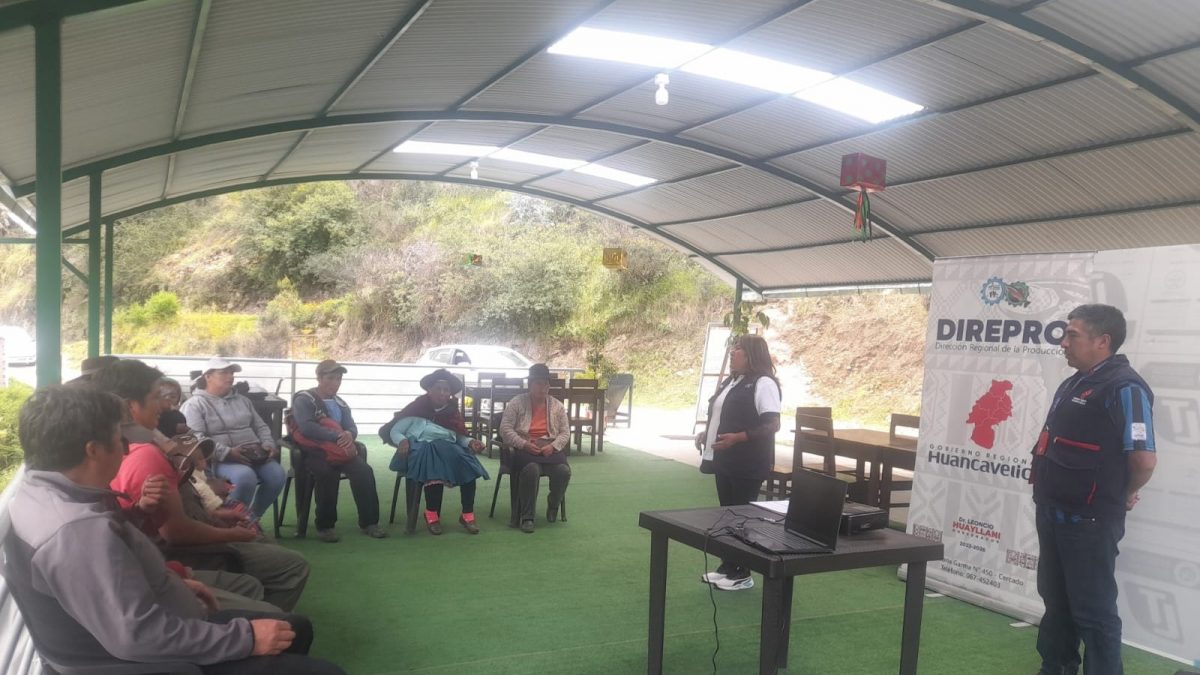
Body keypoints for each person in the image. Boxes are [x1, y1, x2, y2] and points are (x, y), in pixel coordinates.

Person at [5, 385, 345, 674]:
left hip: (163, 619)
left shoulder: (38, 493)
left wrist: (173, 581)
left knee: (297, 627)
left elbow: (109, 581)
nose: (126, 449)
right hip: (162, 658)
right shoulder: (77, 531)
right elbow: (138, 636)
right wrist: (247, 638)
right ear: (92, 450)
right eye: (120, 439)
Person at [96, 359, 310, 614]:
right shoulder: (146, 453)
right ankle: (267, 621)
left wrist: (213, 514)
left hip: (160, 549)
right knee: (287, 564)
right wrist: (231, 534)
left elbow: (139, 518)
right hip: (177, 554)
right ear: (130, 406)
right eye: (156, 397)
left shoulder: (131, 449)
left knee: (275, 476)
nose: (164, 406)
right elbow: (175, 533)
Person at [1031, 304, 1156, 675]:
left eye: (1072, 335)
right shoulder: (1074, 382)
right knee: (1056, 602)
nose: (1063, 343)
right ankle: (1057, 667)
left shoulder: (1126, 388)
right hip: (1053, 513)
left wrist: (1125, 492)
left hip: (1089, 522)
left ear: (1103, 341)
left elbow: (1144, 460)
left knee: (1094, 612)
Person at [694, 334, 781, 591]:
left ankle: (743, 572)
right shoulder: (733, 381)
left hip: (747, 463)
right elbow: (722, 414)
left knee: (741, 517)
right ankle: (728, 566)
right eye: (733, 348)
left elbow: (772, 424)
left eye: (739, 349)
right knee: (728, 515)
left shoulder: (763, 383)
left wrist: (739, 438)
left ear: (753, 355)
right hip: (725, 461)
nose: (733, 353)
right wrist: (707, 433)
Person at [290, 359, 385, 543]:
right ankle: (325, 526)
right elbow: (307, 428)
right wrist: (337, 436)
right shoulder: (304, 399)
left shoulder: (341, 403)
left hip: (339, 450)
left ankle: (369, 522)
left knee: (364, 471)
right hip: (314, 450)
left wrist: (349, 434)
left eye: (338, 378)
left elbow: (351, 426)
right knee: (327, 473)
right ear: (319, 378)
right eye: (331, 378)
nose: (335, 383)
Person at [385, 368, 489, 535]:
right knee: (434, 468)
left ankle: (467, 515)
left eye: (446, 389)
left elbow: (459, 437)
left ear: (450, 394)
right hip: (422, 450)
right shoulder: (416, 409)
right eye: (438, 388)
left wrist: (471, 442)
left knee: (469, 467)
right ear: (429, 390)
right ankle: (432, 514)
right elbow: (395, 430)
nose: (442, 393)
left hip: (448, 449)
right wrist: (402, 441)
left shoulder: (452, 413)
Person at [181, 357, 285, 521]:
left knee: (277, 475)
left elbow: (261, 426)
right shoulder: (194, 405)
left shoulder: (243, 400)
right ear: (208, 376)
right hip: (220, 459)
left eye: (231, 373)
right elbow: (196, 439)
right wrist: (227, 452)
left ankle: (251, 519)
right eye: (224, 373)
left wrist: (268, 444)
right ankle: (232, 521)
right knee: (245, 477)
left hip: (254, 453)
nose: (230, 376)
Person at [498, 363, 571, 533]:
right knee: (532, 469)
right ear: (530, 384)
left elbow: (565, 433)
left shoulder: (557, 406)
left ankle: (553, 505)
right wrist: (524, 444)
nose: (543, 387)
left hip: (549, 450)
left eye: (546, 384)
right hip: (523, 449)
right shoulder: (517, 402)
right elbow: (505, 429)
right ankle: (527, 516)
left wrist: (553, 446)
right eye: (538, 383)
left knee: (563, 471)